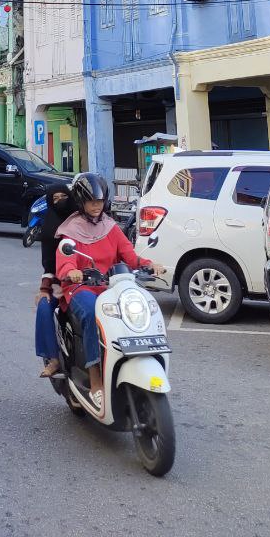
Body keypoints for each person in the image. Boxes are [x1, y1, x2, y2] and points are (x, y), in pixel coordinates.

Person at [55, 172, 165, 409]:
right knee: (92, 314)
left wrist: (149, 265)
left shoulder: (110, 227)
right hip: (80, 288)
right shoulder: (70, 230)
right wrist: (71, 271)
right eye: (92, 201)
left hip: (110, 287)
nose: (96, 206)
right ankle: (95, 378)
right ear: (81, 201)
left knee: (136, 310)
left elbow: (130, 257)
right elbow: (65, 261)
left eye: (100, 201)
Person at [35, 185, 73, 378]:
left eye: (63, 197)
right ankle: (53, 358)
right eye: (55, 198)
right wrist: (44, 288)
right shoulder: (50, 223)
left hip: (87, 281)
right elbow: (48, 264)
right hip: (59, 283)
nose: (60, 201)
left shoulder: (81, 219)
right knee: (43, 306)